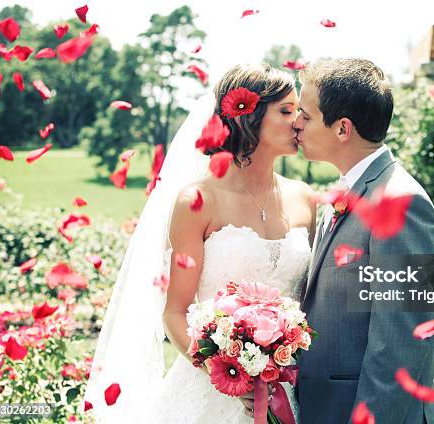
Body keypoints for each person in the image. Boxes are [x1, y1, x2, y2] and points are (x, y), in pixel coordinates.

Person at [85, 63, 315, 423]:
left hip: (289, 388)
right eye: (286, 111)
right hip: (211, 393)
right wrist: (227, 374)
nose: (298, 121)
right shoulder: (198, 201)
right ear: (246, 117)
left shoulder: (306, 199)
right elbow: (175, 312)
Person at [293, 58, 434, 424]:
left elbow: (399, 347)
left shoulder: (401, 205)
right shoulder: (349, 190)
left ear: (343, 129)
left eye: (306, 115)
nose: (295, 123)